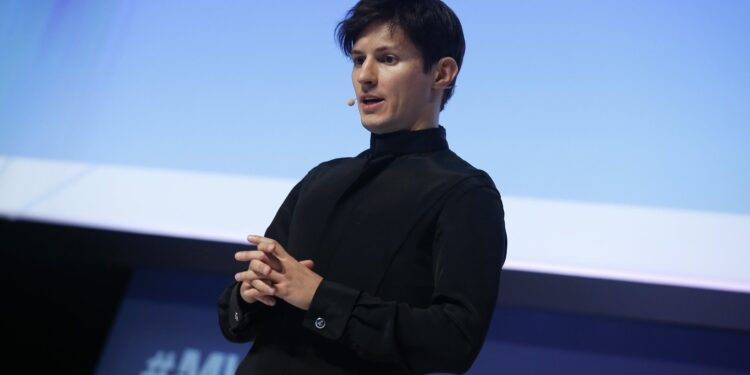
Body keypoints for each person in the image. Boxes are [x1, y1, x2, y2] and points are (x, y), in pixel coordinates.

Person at [218, 1, 507, 373]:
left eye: (387, 59)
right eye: (358, 60)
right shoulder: (322, 178)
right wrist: (249, 295)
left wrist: (319, 297)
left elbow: (455, 341)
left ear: (442, 73)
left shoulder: (465, 193)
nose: (365, 76)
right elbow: (234, 323)